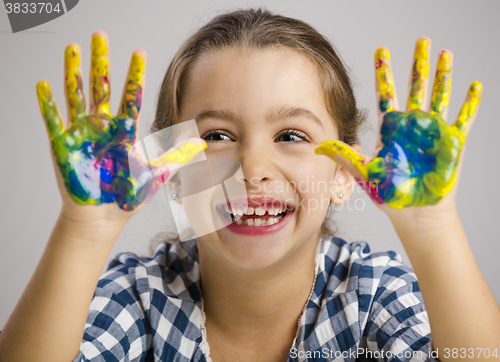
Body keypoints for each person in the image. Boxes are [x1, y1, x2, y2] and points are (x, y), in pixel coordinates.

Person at [0, 7, 498, 362]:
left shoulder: (371, 293)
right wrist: (83, 230)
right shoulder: (140, 296)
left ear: (345, 173)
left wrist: (433, 227)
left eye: (291, 135)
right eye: (217, 136)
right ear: (169, 172)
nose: (253, 167)